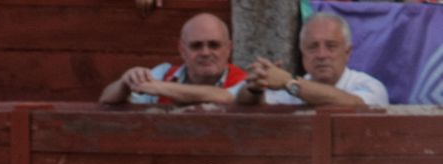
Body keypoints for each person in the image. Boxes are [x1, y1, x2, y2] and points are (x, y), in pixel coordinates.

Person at [238, 11, 388, 108]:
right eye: (313, 47)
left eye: (331, 46)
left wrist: (289, 82)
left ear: (347, 53)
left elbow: (354, 104)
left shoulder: (370, 86)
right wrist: (256, 86)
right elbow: (243, 101)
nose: (321, 55)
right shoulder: (290, 87)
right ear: (302, 52)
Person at [99, 13, 247, 107]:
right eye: (196, 46)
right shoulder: (163, 73)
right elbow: (106, 99)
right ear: (182, 50)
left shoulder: (246, 83)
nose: (205, 52)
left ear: (228, 49)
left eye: (214, 45)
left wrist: (160, 88)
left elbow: (224, 97)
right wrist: (125, 82)